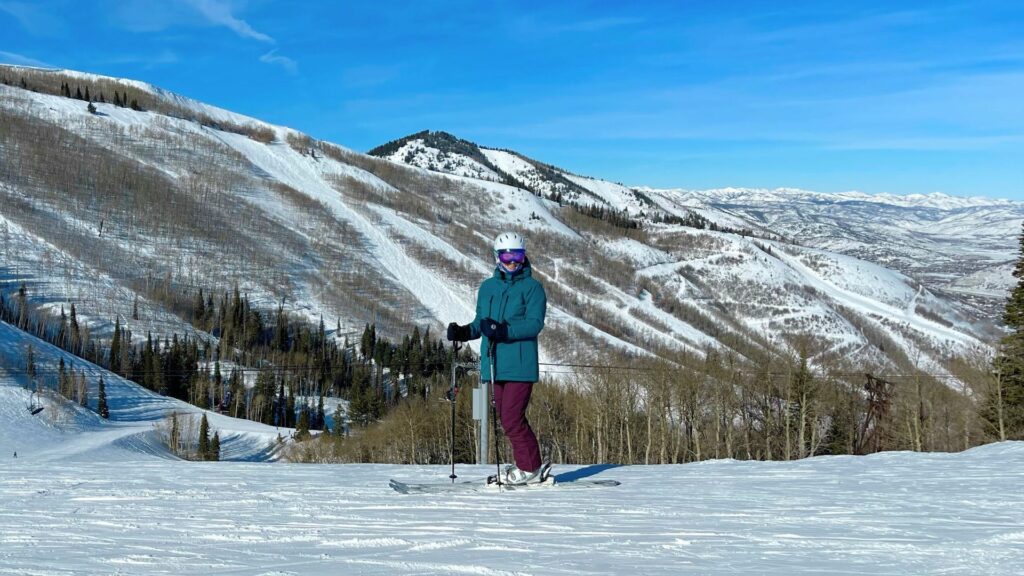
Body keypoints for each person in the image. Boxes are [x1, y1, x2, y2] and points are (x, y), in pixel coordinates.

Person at [447, 231, 548, 485]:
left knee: (513, 418)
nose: (513, 261)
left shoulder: (533, 288)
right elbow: (482, 323)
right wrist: (463, 331)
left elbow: (535, 325)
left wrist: (504, 331)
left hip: (520, 365)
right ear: (497, 257)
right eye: (507, 255)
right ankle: (527, 464)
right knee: (506, 419)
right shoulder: (487, 287)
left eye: (518, 255)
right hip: (492, 364)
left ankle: (530, 468)